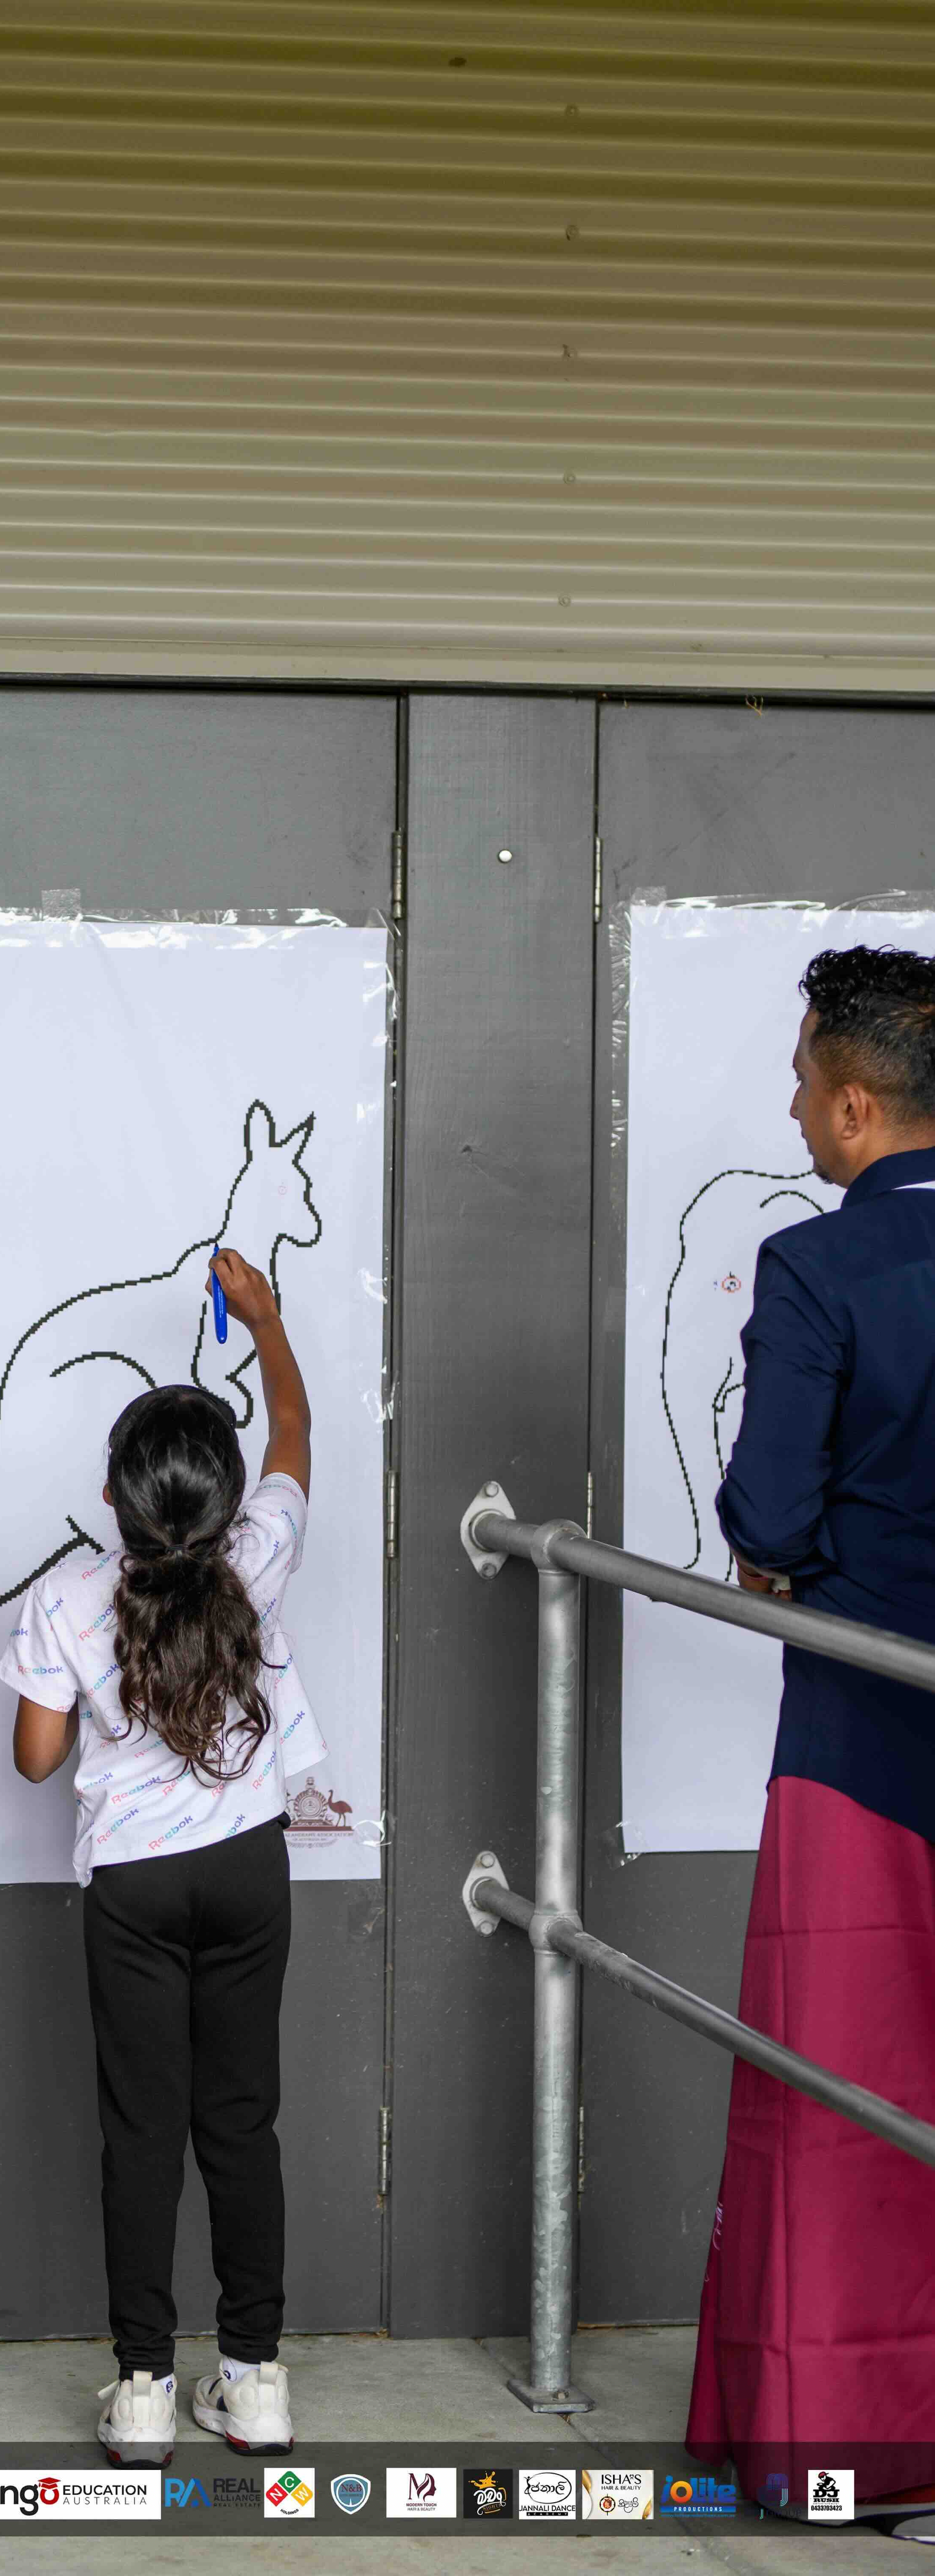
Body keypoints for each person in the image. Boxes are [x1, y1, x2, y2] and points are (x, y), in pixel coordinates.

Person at [1, 1250, 324, 2470]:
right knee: (242, 2125)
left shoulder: (70, 1599)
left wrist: (74, 1694)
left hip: (131, 1893)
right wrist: (268, 1322)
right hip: (247, 1871)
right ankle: (257, 2384)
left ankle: (142, 2391)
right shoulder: (261, 1557)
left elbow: (37, 1761)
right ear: (232, 1501)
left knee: (143, 2134)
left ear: (111, 1495)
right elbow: (294, 1422)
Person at [688, 947, 935, 2514]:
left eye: (799, 1081)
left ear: (856, 1103)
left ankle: (842, 2449)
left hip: (865, 1723)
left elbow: (771, 1508)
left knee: (842, 2090)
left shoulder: (820, 1270)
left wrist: (783, 1543)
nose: (790, 1105)